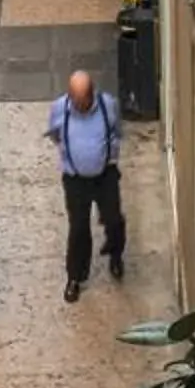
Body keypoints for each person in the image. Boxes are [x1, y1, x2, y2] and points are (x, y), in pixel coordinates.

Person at [48, 70, 128, 303]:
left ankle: (115, 254)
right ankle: (75, 277)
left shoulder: (108, 106)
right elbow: (55, 134)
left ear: (93, 93)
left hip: (106, 175)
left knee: (113, 218)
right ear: (70, 96)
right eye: (77, 100)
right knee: (78, 228)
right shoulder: (59, 109)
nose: (81, 105)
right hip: (75, 179)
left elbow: (117, 132)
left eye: (85, 100)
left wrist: (105, 154)